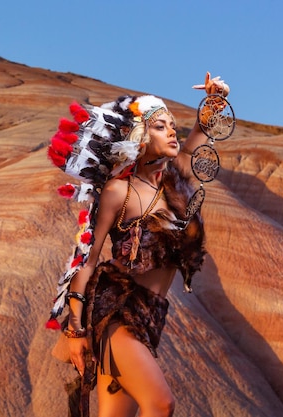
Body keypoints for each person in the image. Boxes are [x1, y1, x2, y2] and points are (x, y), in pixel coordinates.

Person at [46, 73, 230, 417]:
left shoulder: (174, 184)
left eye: (173, 125)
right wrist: (76, 331)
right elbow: (85, 259)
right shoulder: (120, 191)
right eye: (161, 126)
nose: (172, 130)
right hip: (117, 308)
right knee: (160, 404)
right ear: (140, 138)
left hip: (151, 314)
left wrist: (215, 98)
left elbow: (198, 136)